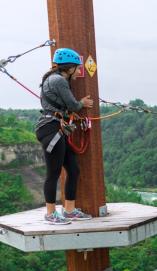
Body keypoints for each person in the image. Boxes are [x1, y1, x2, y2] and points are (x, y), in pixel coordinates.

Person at [35, 48, 94, 225]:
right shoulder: (59, 81)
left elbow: (66, 106)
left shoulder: (53, 79)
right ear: (69, 68)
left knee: (73, 169)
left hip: (56, 127)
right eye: (76, 68)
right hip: (51, 129)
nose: (77, 72)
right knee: (53, 173)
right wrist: (81, 103)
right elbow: (73, 104)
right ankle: (51, 214)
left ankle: (69, 210)